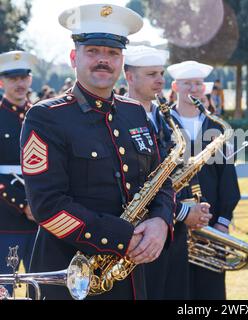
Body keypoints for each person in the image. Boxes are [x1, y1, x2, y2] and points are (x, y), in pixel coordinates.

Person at [20, 4, 175, 300]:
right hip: (69, 276)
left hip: (129, 276)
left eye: (113, 53)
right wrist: (122, 237)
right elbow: (47, 205)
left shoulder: (135, 113)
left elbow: (161, 180)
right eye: (93, 51)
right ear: (73, 57)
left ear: (122, 61)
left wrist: (160, 221)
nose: (103, 60)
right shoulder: (46, 117)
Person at [124, 46, 212, 299]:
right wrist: (185, 212)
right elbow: (137, 185)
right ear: (130, 77)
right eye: (152, 74)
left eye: (161, 73)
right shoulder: (118, 119)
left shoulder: (165, 118)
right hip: (141, 235)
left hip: (175, 232)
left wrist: (189, 206)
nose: (160, 80)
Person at [167, 60, 241, 300]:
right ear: (176, 87)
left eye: (198, 84)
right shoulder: (162, 123)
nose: (194, 88)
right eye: (187, 83)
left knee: (211, 292)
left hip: (211, 227)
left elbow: (228, 180)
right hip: (172, 225)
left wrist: (223, 221)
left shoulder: (217, 127)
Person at [0, 51, 38, 280]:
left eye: (23, 77)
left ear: (30, 79)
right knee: (7, 285)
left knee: (43, 283)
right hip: (7, 218)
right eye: (13, 79)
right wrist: (23, 205)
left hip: (42, 216)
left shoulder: (41, 115)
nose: (20, 84)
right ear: (2, 82)